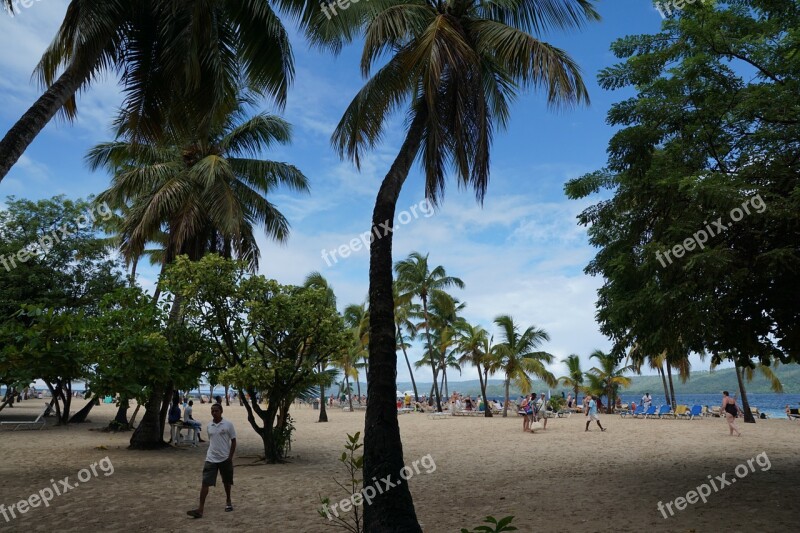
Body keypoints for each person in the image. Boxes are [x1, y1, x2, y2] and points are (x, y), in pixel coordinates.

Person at [187, 404, 237, 518]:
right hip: (211, 458)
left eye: (216, 411)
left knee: (227, 481)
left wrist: (230, 457)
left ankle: (228, 500)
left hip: (225, 458)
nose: (214, 413)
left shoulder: (228, 424)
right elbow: (212, 441)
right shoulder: (209, 425)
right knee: (205, 483)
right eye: (212, 411)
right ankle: (200, 509)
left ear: (221, 411)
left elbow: (234, 441)